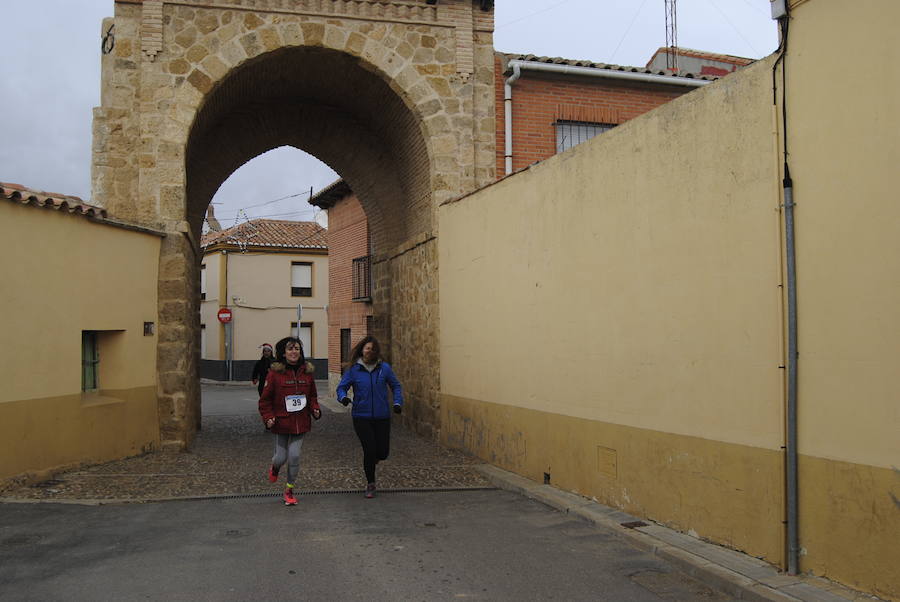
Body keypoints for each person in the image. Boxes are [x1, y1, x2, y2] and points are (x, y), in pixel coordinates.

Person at [336, 335, 403, 499]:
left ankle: (373, 460)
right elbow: (341, 387)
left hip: (382, 416)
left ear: (376, 351)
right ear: (362, 350)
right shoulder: (354, 370)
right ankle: (371, 483)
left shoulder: (384, 368)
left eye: (373, 348)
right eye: (367, 348)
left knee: (383, 452)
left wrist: (397, 403)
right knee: (369, 450)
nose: (369, 351)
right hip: (361, 416)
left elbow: (396, 386)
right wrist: (343, 398)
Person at [258, 336, 321, 506]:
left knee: (294, 456)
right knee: (280, 457)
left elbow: (313, 395)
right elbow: (265, 401)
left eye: (297, 349)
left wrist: (315, 408)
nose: (294, 352)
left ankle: (289, 489)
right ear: (283, 353)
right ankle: (275, 468)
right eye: (290, 349)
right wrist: (268, 418)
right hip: (281, 423)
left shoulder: (307, 373)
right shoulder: (275, 374)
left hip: (301, 423)